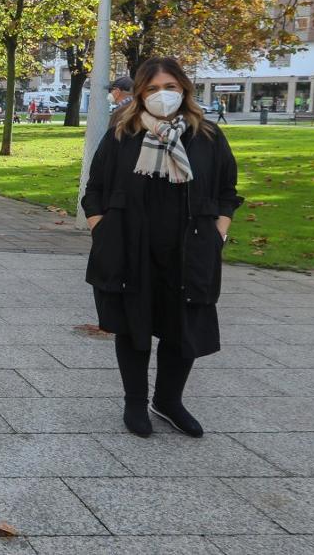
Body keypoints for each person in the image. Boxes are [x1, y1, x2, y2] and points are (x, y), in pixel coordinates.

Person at [82, 56, 242, 439]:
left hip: (190, 247)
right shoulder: (123, 132)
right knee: (132, 324)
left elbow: (226, 192)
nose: (162, 95)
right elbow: (96, 189)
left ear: (184, 89)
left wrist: (220, 230)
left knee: (182, 327)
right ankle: (134, 402)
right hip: (132, 246)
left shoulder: (207, 136)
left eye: (170, 87)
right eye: (153, 88)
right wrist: (100, 228)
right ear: (139, 93)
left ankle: (168, 401)